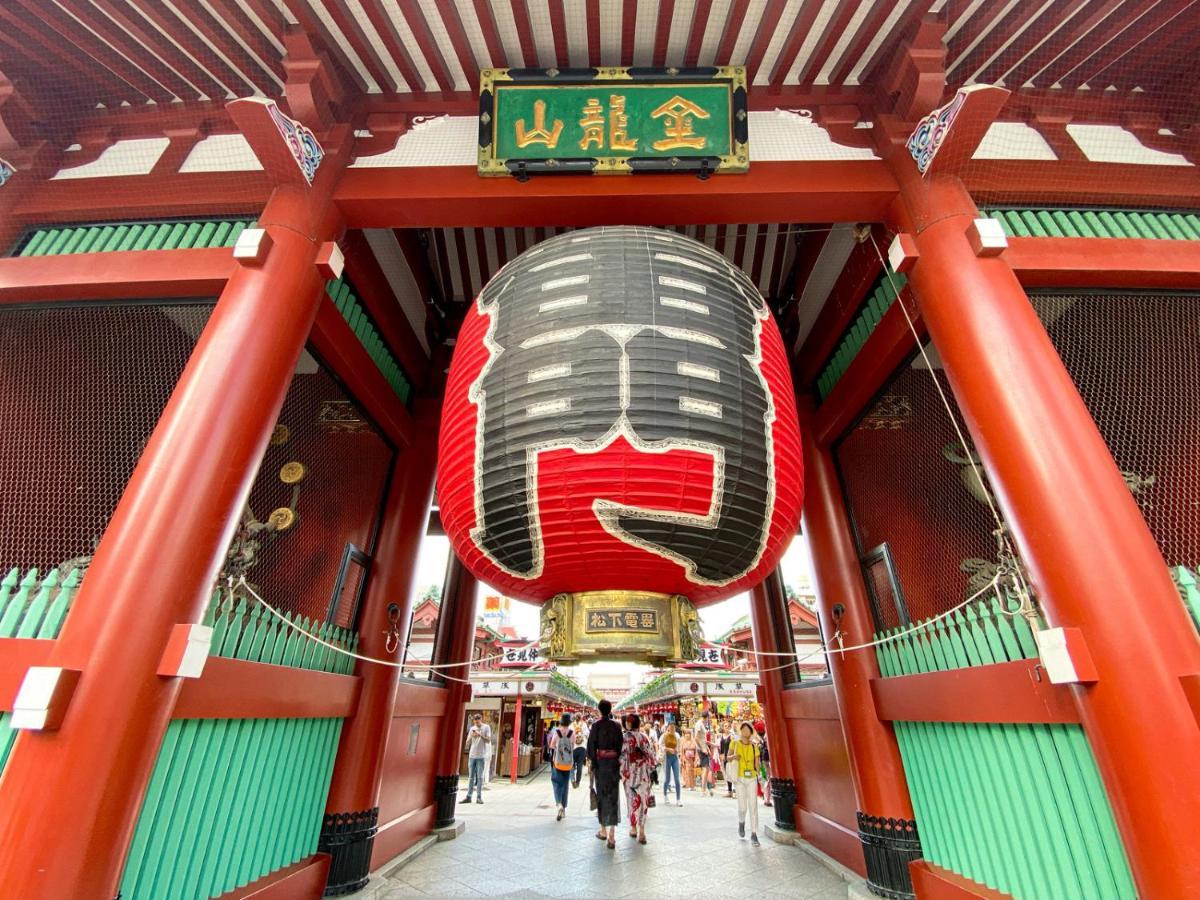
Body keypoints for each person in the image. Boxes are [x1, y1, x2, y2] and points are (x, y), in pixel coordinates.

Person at [587, 699, 624, 849]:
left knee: (602, 795)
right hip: (614, 764)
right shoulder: (617, 726)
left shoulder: (596, 726)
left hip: (601, 765)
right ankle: (612, 836)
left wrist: (593, 763)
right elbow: (620, 746)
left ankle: (603, 830)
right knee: (613, 796)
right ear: (610, 710)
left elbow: (591, 747)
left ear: (599, 710)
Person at [621, 713, 655, 845]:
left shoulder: (624, 738)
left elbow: (622, 757)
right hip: (643, 775)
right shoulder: (644, 737)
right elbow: (651, 755)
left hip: (629, 775)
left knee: (631, 801)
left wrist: (621, 772)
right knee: (643, 802)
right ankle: (642, 831)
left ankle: (633, 828)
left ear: (629, 724)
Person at [725, 722, 762, 845]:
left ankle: (754, 833)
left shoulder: (754, 747)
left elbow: (757, 763)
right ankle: (741, 822)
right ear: (740, 731)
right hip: (739, 778)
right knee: (742, 807)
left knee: (753, 805)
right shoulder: (734, 743)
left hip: (751, 778)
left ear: (751, 732)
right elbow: (727, 757)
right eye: (744, 730)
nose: (746, 732)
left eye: (748, 730)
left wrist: (759, 775)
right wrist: (734, 756)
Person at [548, 713, 576, 820]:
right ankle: (563, 809)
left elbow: (552, 745)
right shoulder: (572, 733)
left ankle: (559, 804)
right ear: (569, 722)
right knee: (565, 786)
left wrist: (557, 746)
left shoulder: (557, 732)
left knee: (556, 783)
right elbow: (572, 747)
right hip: (568, 764)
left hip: (558, 763)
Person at [462, 713, 491, 805]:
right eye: (475, 721)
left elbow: (488, 740)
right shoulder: (472, 728)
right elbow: (467, 742)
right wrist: (471, 737)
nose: (476, 723)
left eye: (478, 721)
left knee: (480, 777)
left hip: (481, 756)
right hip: (472, 755)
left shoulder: (486, 727)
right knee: (470, 777)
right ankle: (468, 796)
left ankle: (479, 797)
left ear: (481, 719)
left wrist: (480, 735)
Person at [693, 711, 715, 797]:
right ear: (706, 716)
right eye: (709, 717)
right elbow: (697, 738)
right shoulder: (699, 724)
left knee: (707, 769)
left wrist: (707, 747)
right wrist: (702, 748)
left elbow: (702, 738)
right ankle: (703, 789)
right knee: (705, 769)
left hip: (704, 748)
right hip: (701, 749)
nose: (709, 718)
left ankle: (706, 788)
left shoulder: (702, 724)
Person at [660, 722, 681, 806]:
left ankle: (678, 799)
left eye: (673, 727)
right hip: (667, 758)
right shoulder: (664, 736)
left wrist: (677, 750)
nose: (672, 729)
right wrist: (668, 749)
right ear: (668, 727)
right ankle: (665, 795)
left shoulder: (677, 736)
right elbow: (661, 746)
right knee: (667, 779)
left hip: (675, 758)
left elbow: (679, 746)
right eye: (670, 727)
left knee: (677, 779)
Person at [719, 722, 735, 797]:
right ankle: (729, 791)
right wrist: (721, 754)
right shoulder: (722, 736)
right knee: (728, 774)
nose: (727, 727)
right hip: (725, 757)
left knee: (733, 773)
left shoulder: (731, 736)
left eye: (728, 726)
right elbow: (721, 747)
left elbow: (734, 747)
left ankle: (735, 791)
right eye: (725, 726)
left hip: (731, 756)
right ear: (723, 727)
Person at [572, 717, 589, 788]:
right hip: (582, 748)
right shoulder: (584, 725)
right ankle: (578, 782)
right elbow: (588, 734)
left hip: (573, 748)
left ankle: (572, 779)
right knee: (579, 766)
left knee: (572, 765)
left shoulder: (571, 725)